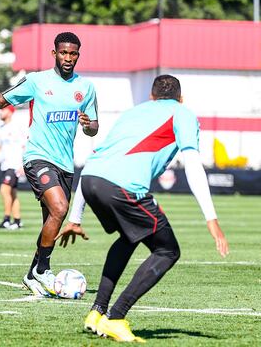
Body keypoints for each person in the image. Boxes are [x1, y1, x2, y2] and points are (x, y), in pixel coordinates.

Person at [56, 75, 229, 343]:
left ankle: (97, 312)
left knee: (128, 238)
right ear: (180, 100)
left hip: (90, 182)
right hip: (123, 188)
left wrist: (75, 217)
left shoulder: (132, 114)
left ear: (151, 97)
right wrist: (211, 218)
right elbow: (193, 163)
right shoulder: (182, 113)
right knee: (168, 250)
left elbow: (93, 160)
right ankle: (116, 317)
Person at [0, 32, 99, 296]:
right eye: (63, 52)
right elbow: (1, 100)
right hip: (37, 157)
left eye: (73, 53)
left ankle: (31, 274)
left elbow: (93, 128)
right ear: (54, 53)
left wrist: (88, 125)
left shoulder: (87, 87)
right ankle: (42, 270)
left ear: (78, 55)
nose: (68, 58)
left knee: (51, 221)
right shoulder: (37, 81)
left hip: (65, 165)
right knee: (61, 208)